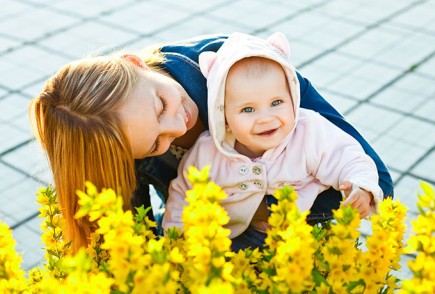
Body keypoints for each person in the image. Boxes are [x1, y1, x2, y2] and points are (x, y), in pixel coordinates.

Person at [29, 32, 393, 254]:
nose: (178, 124)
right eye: (156, 144)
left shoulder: (248, 71)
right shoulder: (117, 144)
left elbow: (377, 179)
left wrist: (266, 211)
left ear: (134, 63)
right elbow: (140, 236)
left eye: (161, 105)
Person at [162, 32, 383, 250]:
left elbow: (347, 156)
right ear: (223, 115)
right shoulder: (208, 151)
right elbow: (183, 193)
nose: (266, 118)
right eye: (248, 109)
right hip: (227, 242)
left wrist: (361, 186)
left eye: (277, 102)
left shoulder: (308, 132)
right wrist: (177, 237)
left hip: (299, 236)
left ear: (293, 97)